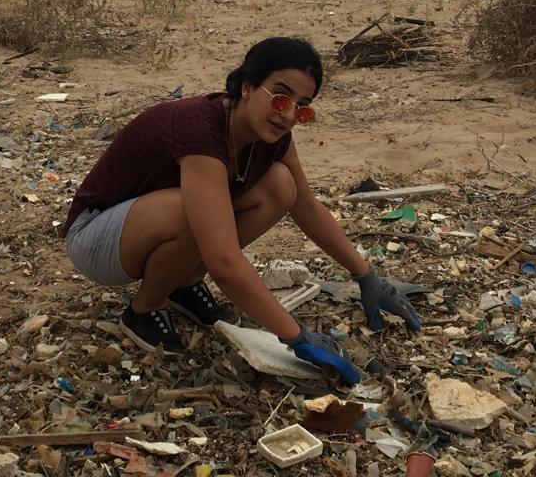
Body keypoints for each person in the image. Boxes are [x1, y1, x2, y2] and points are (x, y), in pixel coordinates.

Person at [61, 38, 420, 384]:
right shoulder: (199, 127)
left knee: (281, 185)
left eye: (302, 107)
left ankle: (181, 285)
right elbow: (224, 262)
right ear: (247, 86)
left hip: (148, 227)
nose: (288, 115)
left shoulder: (272, 139)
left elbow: (307, 207)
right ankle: (143, 310)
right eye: (280, 97)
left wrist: (366, 275)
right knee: (194, 212)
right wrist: (296, 337)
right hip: (96, 238)